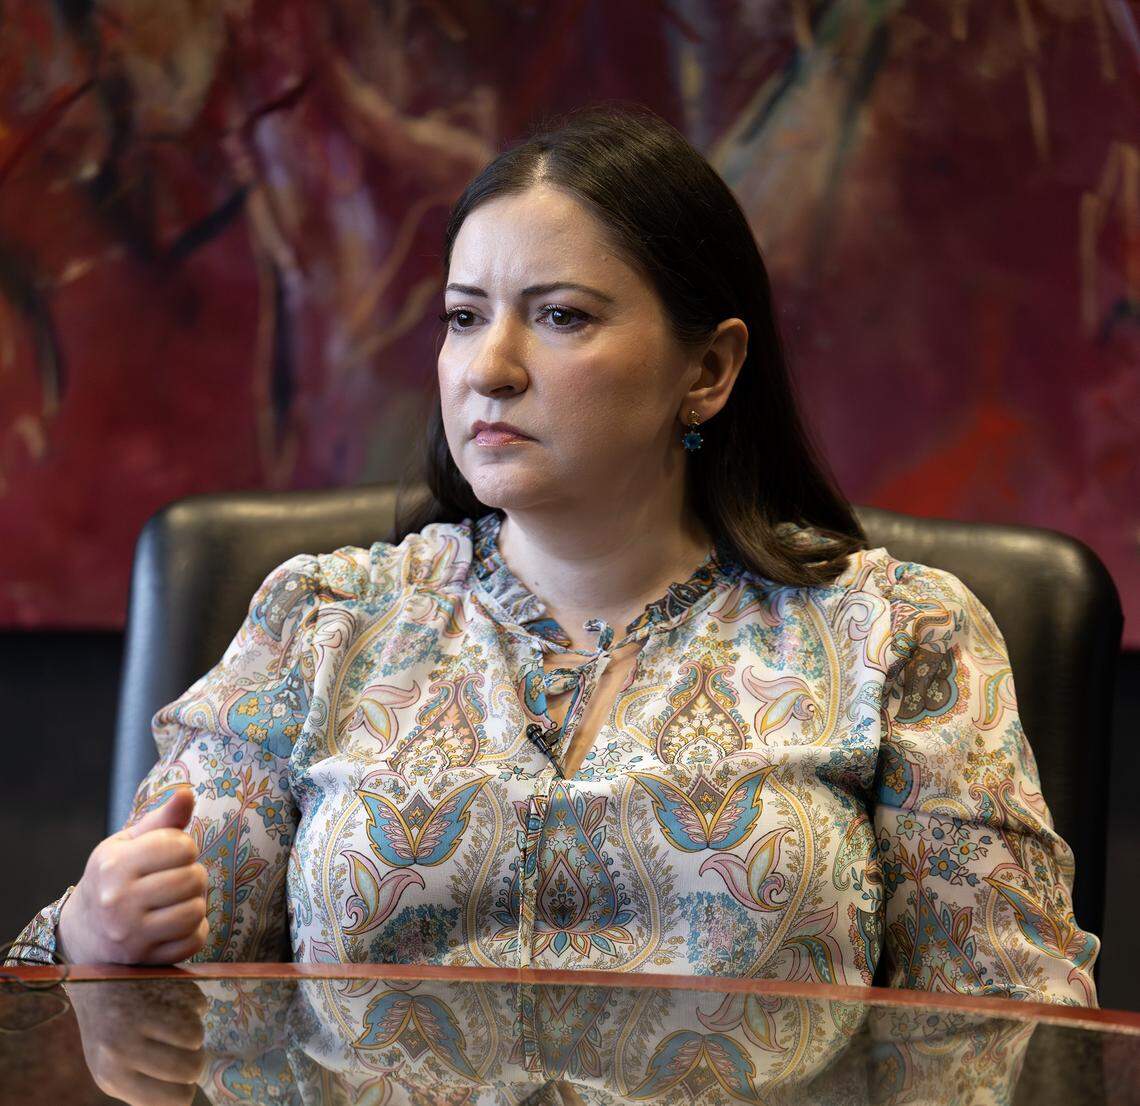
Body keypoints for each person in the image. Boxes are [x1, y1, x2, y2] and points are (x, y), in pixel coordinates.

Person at [7, 104, 1099, 1003]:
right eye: (464, 316)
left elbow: (1015, 1026)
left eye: (562, 316)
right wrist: (105, 928)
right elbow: (151, 977)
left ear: (709, 370)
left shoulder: (900, 631)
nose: (492, 367)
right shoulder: (323, 616)